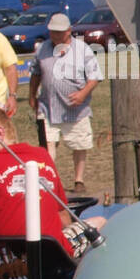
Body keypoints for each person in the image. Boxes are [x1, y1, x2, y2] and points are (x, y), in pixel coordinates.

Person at [0, 107, 73, 252]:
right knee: (99, 222)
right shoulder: (42, 155)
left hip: (8, 258)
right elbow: (63, 215)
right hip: (54, 253)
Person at [28, 13, 101, 192]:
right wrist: (32, 96)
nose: (55, 35)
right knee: (48, 145)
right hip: (48, 106)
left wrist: (83, 94)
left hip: (75, 109)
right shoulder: (43, 49)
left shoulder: (82, 50)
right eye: (52, 32)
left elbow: (95, 77)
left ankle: (79, 180)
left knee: (79, 144)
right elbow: (36, 74)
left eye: (59, 32)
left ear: (69, 31)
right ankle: (50, 180)